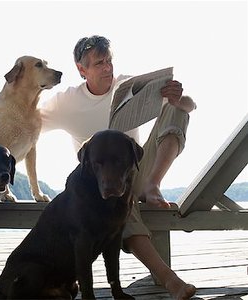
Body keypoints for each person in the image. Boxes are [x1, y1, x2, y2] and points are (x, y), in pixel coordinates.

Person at [40, 35, 197, 299]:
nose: (107, 68)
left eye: (109, 61)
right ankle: (171, 281)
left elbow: (190, 106)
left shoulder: (129, 85)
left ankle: (152, 184)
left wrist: (178, 99)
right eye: (99, 63)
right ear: (82, 69)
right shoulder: (66, 101)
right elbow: (26, 121)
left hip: (135, 171)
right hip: (99, 184)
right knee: (122, 207)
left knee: (176, 110)